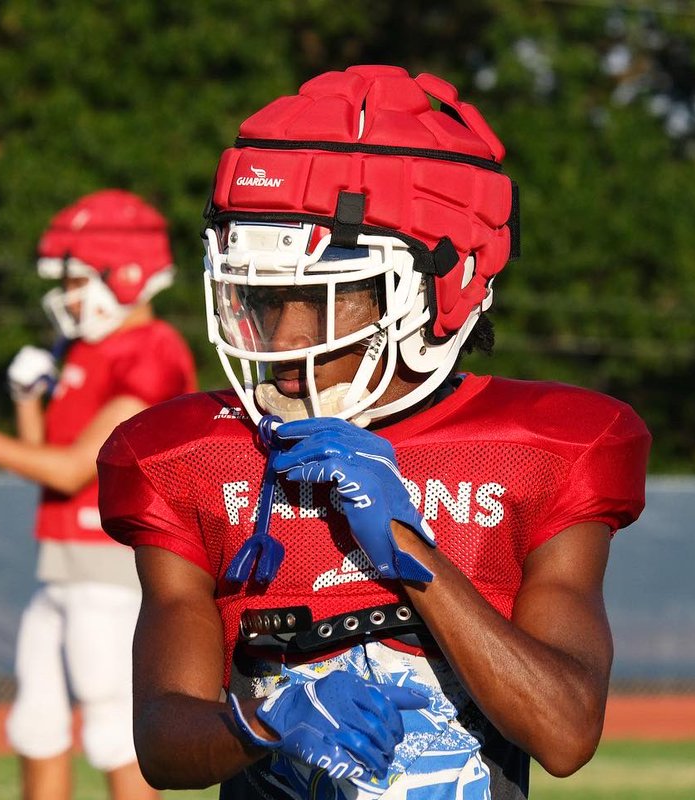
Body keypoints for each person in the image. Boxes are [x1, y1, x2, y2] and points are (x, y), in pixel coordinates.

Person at [96, 66, 651, 800]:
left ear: (439, 293)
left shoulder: (545, 450)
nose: (285, 337)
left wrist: (410, 549)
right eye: (262, 299)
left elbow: (565, 730)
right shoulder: (191, 457)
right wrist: (259, 722)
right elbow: (163, 745)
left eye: (324, 298)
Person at [0, 189, 196, 800]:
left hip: (113, 566)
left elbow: (69, 470)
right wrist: (27, 401)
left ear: (126, 274)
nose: (71, 295)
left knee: (113, 723)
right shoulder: (85, 348)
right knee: (36, 722)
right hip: (60, 564)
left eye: (83, 279)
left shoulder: (153, 349)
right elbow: (45, 464)